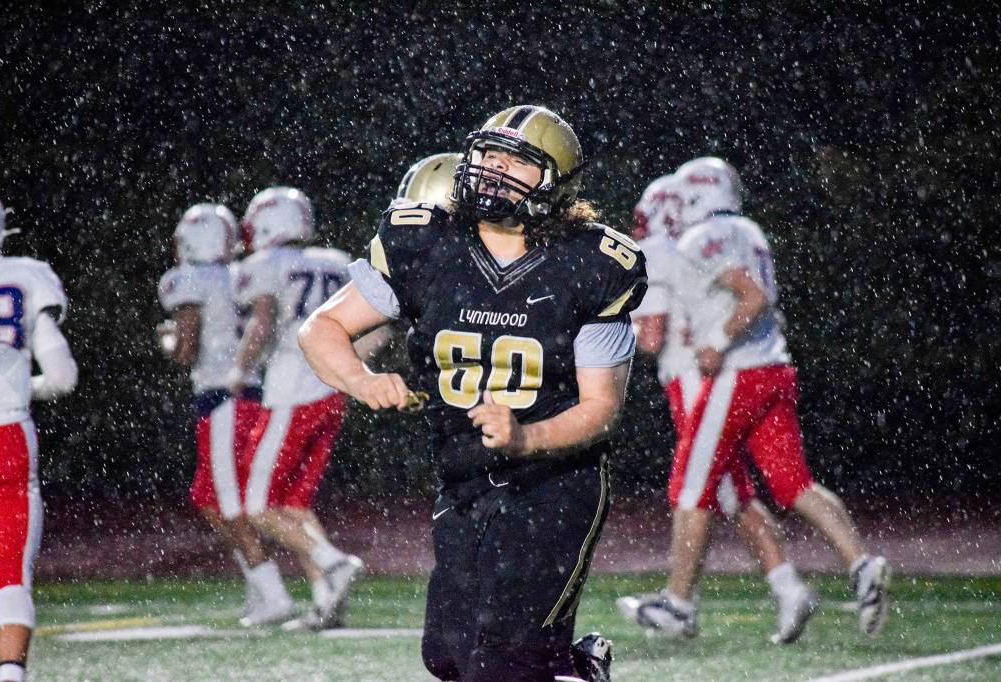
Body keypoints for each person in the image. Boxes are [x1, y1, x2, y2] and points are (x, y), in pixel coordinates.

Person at [298, 105, 645, 682]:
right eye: (487, 155)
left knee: (500, 662)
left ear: (553, 181)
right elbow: (321, 329)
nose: (494, 170)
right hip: (463, 473)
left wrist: (526, 434)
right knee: (450, 658)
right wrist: (360, 380)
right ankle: (577, 671)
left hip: (555, 480)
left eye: (516, 161)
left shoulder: (591, 265)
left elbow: (601, 409)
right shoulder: (427, 243)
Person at [628, 157, 890, 640]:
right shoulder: (748, 231)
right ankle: (861, 565)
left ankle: (679, 603)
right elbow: (763, 297)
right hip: (773, 367)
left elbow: (750, 297)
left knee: (691, 486)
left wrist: (718, 340)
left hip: (736, 375)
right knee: (793, 485)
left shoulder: (699, 239)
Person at [616, 174, 819, 644]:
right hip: (706, 375)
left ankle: (680, 602)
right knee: (731, 494)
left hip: (696, 382)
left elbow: (649, 336)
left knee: (704, 490)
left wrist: (598, 327)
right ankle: (785, 586)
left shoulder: (662, 254)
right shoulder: (689, 245)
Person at [230, 186, 372, 630]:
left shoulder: (270, 265)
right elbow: (371, 327)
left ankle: (333, 562)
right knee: (293, 502)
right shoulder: (336, 262)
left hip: (291, 388)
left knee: (256, 504)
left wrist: (239, 370)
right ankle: (326, 599)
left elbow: (263, 321)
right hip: (333, 390)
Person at [156, 203, 294, 627]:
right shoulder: (243, 273)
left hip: (222, 396)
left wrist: (166, 342)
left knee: (226, 501)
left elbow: (187, 347)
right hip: (252, 392)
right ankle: (260, 585)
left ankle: (273, 594)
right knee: (211, 499)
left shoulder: (189, 279)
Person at [0, 179, 78, 682]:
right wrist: (14, 384)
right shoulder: (25, 274)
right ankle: (11, 676)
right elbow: (62, 377)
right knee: (10, 574)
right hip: (5, 438)